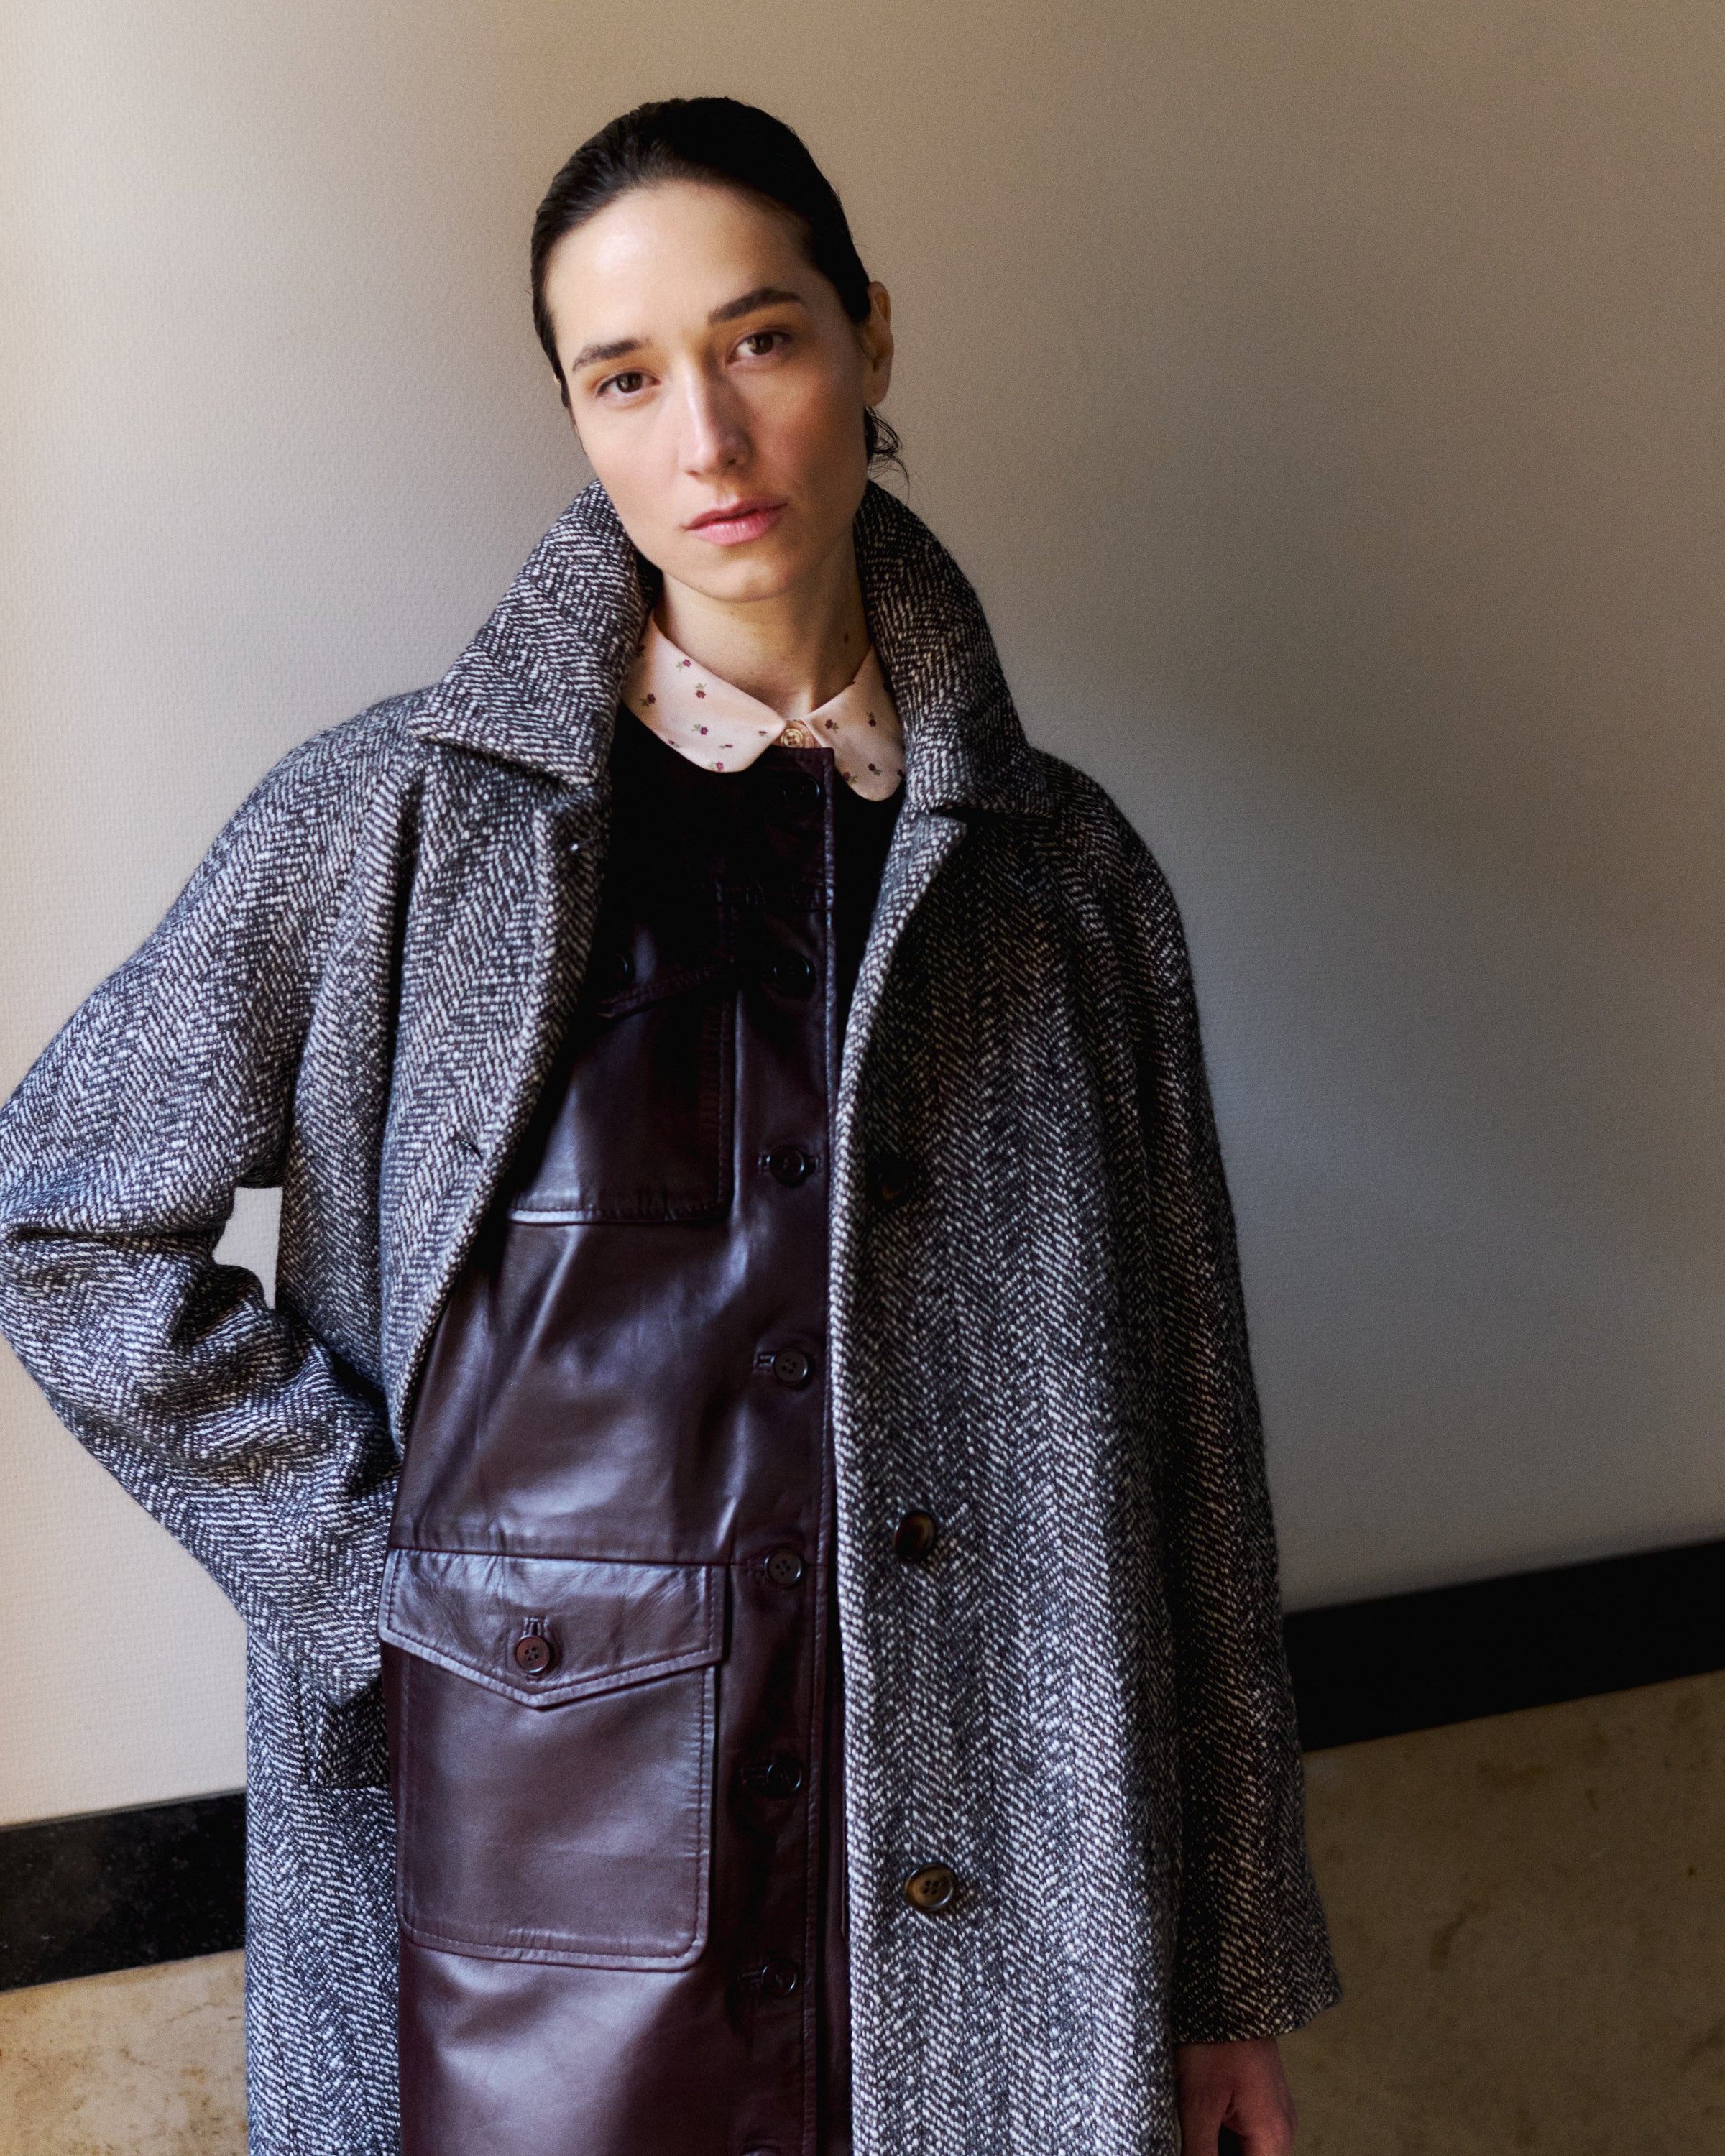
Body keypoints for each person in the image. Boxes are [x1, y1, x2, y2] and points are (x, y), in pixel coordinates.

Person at [0, 96, 1338, 2156]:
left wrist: (1227, 1978)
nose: (705, 439)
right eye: (623, 377)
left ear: (870, 336)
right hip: (523, 1924)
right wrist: (368, 1578)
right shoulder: (391, 829)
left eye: (760, 341)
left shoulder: (1065, 883)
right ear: (575, 412)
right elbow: (61, 1217)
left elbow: (1194, 1452)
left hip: (1005, 1908)